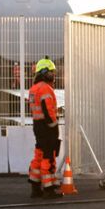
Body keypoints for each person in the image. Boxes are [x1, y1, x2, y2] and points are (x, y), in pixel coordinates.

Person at [27, 59, 62, 198]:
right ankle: (49, 188)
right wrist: (54, 126)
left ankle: (35, 187)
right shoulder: (45, 88)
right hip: (47, 127)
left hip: (37, 125)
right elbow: (48, 110)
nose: (53, 74)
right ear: (44, 72)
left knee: (39, 155)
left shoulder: (34, 88)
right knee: (49, 157)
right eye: (51, 72)